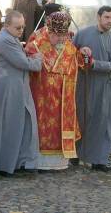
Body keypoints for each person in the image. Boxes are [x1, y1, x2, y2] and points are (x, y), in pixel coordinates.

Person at [25, 11, 91, 170]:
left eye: (64, 35)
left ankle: (58, 163)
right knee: (41, 127)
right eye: (58, 36)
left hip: (64, 98)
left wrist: (84, 54)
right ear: (50, 31)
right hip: (42, 96)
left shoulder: (68, 44)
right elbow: (27, 59)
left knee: (59, 128)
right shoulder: (36, 41)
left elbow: (79, 62)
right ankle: (38, 162)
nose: (62, 39)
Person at [0, 11, 42, 176]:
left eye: (23, 27)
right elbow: (23, 63)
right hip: (6, 91)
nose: (21, 30)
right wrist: (37, 59)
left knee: (18, 127)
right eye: (18, 27)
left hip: (15, 89)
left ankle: (16, 163)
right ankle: (3, 165)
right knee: (7, 128)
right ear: (7, 25)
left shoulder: (11, 38)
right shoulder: (5, 40)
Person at [74, 6, 111, 172]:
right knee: (81, 118)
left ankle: (99, 160)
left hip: (104, 86)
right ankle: (76, 154)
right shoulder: (83, 34)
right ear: (98, 17)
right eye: (107, 17)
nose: (109, 21)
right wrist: (80, 52)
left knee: (104, 122)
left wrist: (95, 64)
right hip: (84, 84)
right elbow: (70, 53)